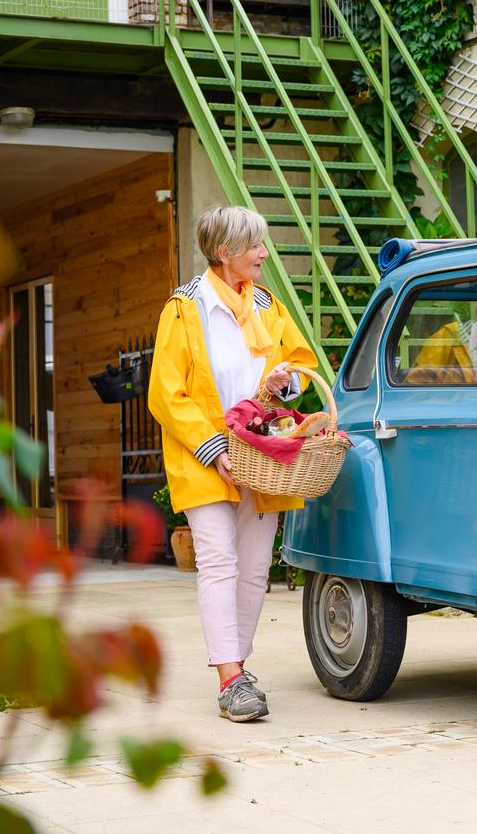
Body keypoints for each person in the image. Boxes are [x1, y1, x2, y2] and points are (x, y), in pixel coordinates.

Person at [148, 205, 319, 722]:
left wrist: (284, 381)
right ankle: (230, 679)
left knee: (251, 572)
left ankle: (237, 670)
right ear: (226, 253)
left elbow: (301, 364)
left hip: (260, 453)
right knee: (218, 562)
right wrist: (214, 449)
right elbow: (166, 392)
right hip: (205, 455)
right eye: (255, 246)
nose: (264, 253)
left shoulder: (267, 305)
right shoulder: (184, 308)